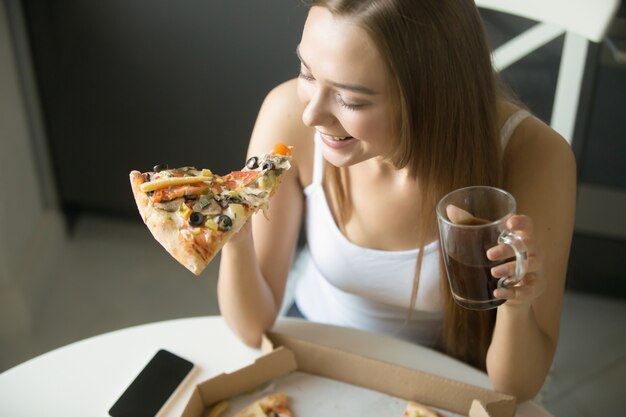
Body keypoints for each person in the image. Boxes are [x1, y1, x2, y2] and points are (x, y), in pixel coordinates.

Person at [217, 0, 576, 402]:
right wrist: (233, 234)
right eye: (306, 72)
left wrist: (516, 302)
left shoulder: (535, 157)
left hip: (447, 372)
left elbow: (516, 387)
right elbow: (251, 328)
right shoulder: (287, 114)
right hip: (315, 345)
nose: (311, 115)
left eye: (351, 101)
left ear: (432, 97)